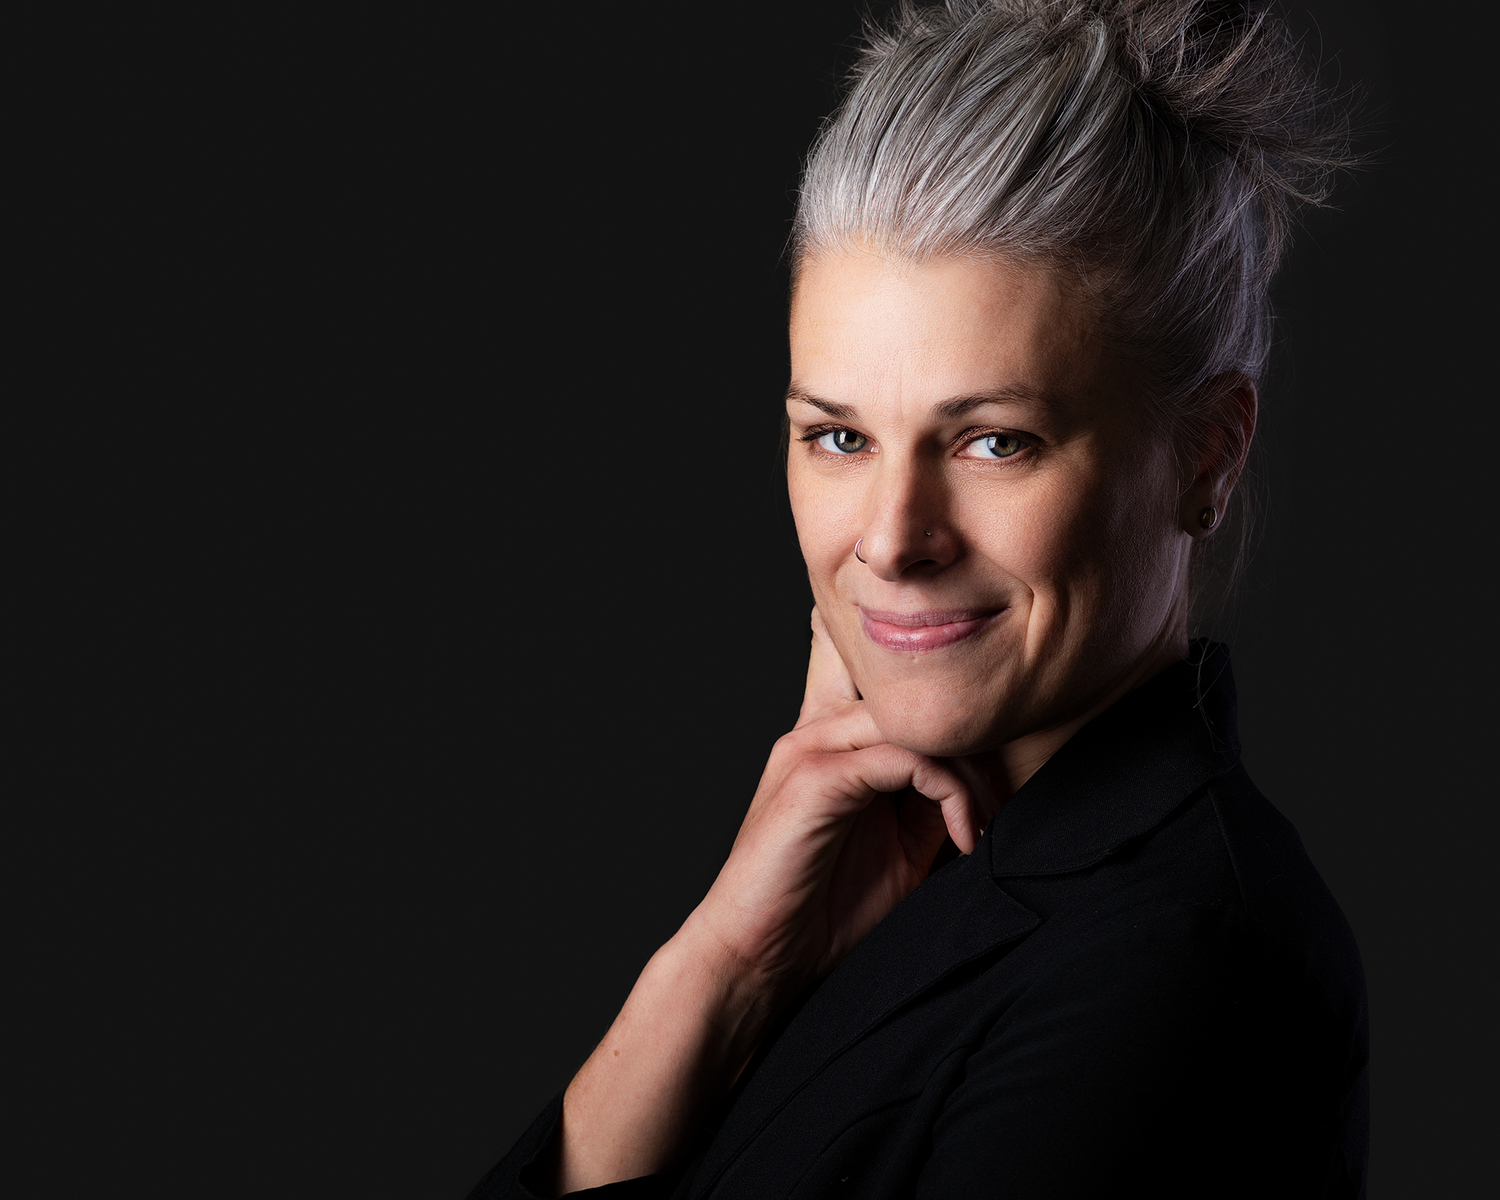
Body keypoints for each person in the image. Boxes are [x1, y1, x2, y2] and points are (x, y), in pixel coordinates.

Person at [475, 1, 1367, 1195]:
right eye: (839, 437)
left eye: (995, 442)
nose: (892, 541)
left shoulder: (1181, 968)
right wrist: (724, 966)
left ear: (1206, 454)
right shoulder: (881, 887)